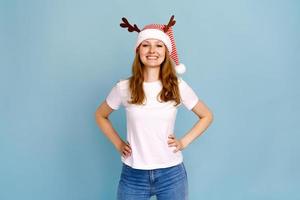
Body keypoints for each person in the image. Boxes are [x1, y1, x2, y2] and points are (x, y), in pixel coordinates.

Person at [95, 15, 213, 200]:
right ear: (138, 50)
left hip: (171, 175)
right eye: (145, 45)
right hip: (134, 175)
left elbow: (206, 116)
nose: (152, 50)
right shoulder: (123, 87)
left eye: (158, 45)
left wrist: (183, 142)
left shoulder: (177, 86)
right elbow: (101, 115)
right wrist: (119, 144)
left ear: (166, 52)